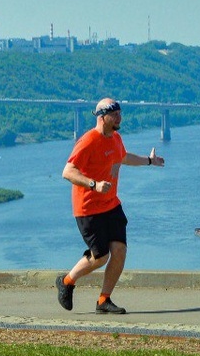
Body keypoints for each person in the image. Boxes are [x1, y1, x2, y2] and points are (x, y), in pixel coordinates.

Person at [55, 98, 165, 315]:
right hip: (88, 208)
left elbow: (123, 158)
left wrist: (150, 161)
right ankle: (66, 281)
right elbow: (67, 171)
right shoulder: (88, 141)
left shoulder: (116, 138)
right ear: (102, 116)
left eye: (120, 113)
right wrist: (93, 185)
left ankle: (104, 300)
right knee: (101, 257)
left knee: (120, 250)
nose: (119, 118)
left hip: (111, 205)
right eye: (115, 114)